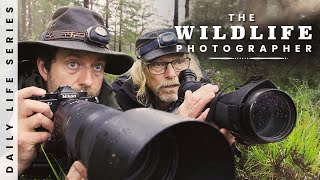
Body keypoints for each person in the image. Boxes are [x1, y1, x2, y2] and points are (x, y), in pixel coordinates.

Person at [18, 6, 134, 179]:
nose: (88, 81)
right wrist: (14, 162)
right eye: (73, 64)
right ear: (44, 68)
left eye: (97, 67)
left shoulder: (106, 106)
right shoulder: (11, 106)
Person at [112, 28, 235, 144]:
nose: (171, 74)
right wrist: (175, 128)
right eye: (158, 64)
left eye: (179, 62)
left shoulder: (200, 87)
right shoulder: (123, 94)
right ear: (141, 70)